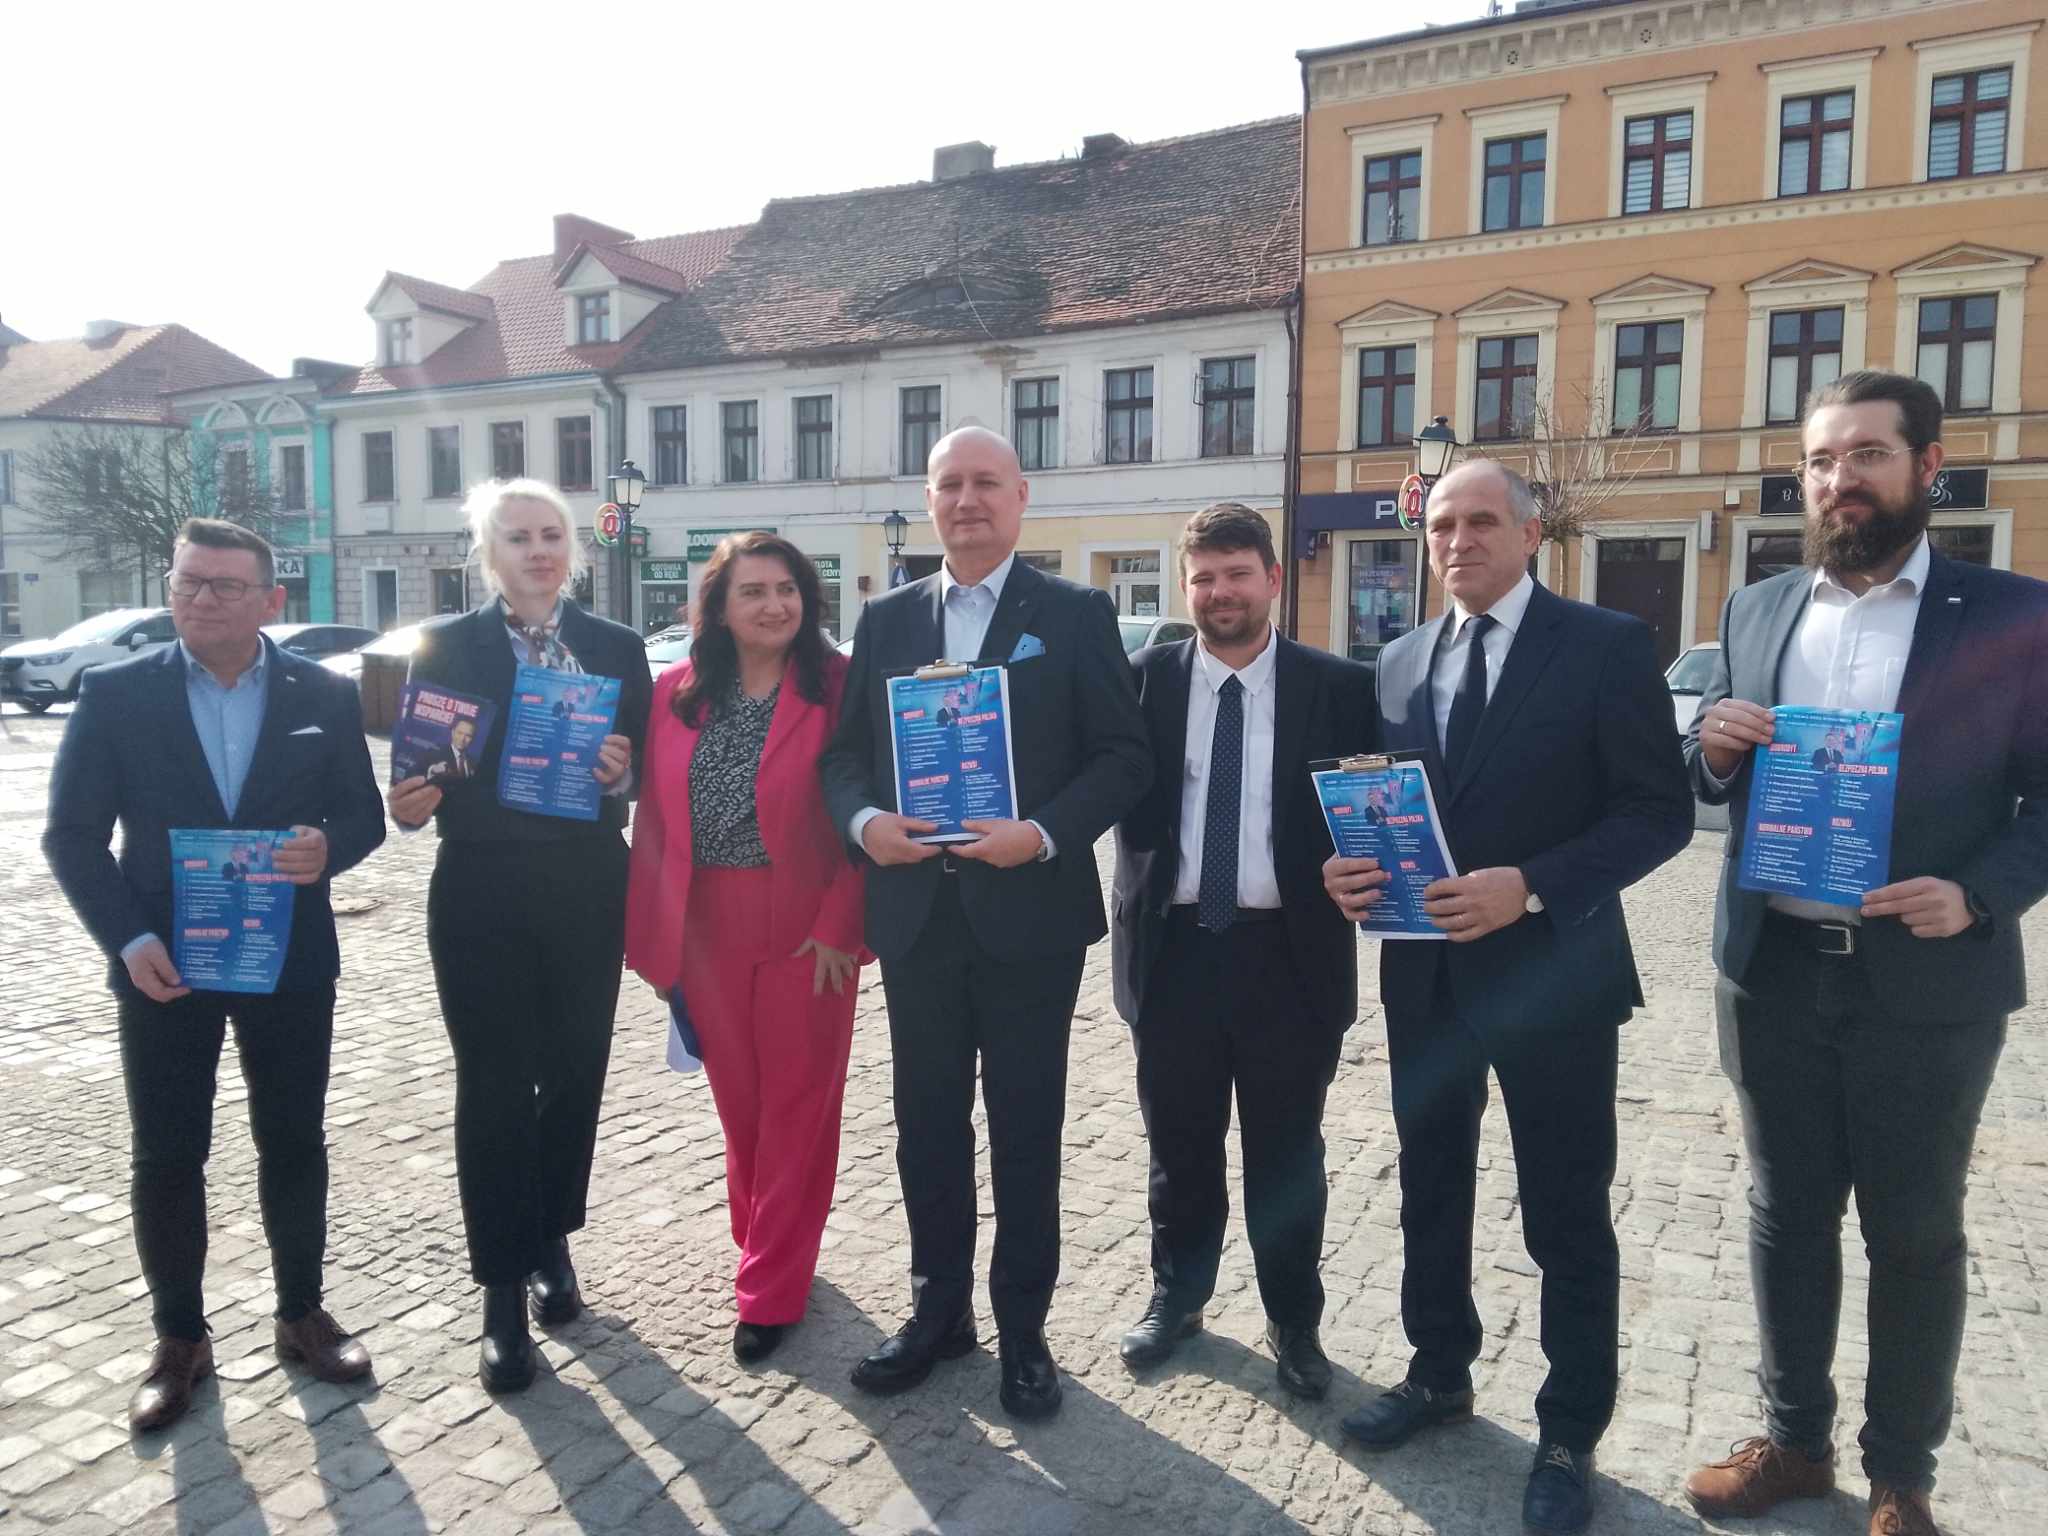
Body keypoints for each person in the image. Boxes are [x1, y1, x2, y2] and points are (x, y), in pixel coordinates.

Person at [1680, 371, 2048, 1536]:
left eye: (1866, 455)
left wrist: (1976, 896)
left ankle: (1900, 1474)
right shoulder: (1757, 608)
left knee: (1913, 1229)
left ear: (1926, 466)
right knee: (1784, 1214)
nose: (1838, 480)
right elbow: (1708, 776)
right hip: (1773, 969)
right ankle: (1794, 1442)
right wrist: (1713, 748)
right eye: (1820, 460)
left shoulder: (2009, 614)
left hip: (1925, 979)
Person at [1322, 461, 1692, 1535]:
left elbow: (1657, 814)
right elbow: (1390, 808)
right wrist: (1347, 870)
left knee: (1564, 1210)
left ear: (1530, 534)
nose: (1458, 540)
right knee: (1429, 1186)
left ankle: (1569, 1429)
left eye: (1481, 521)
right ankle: (1438, 1369)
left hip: (1554, 974)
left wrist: (1527, 886)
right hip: (1425, 973)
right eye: (1441, 524)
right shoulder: (1398, 660)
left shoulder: (1604, 646)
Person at [820, 426, 1151, 1419]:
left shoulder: (1075, 613)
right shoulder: (886, 619)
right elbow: (843, 758)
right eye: (949, 484)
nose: (966, 500)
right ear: (929, 500)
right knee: (925, 1124)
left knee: (1024, 1128)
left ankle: (1024, 1330)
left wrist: (1041, 834)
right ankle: (938, 1312)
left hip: (1027, 918)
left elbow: (1123, 757)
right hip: (916, 915)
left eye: (985, 483)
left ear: (1019, 496)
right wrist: (866, 824)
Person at [43, 518, 386, 1433]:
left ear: (271, 600)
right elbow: (72, 837)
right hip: (166, 964)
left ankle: (301, 1313)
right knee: (167, 1152)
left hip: (288, 959)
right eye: (188, 582)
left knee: (294, 1139)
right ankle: (179, 1339)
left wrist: (328, 847)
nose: (202, 599)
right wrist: (126, 940)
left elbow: (362, 816)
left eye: (226, 586)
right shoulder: (117, 694)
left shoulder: (323, 691)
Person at [387, 478, 652, 1393]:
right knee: (496, 1086)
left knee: (575, 1073)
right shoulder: (445, 646)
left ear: (572, 549)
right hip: (482, 886)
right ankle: (501, 1292)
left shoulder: (614, 646)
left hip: (587, 884)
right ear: (487, 552)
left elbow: (645, 773)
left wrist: (621, 773)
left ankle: (550, 1236)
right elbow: (418, 784)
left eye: (550, 535)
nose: (537, 551)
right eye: (517, 537)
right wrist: (409, 804)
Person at [1109, 503, 1374, 1398]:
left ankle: (1294, 1320)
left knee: (1287, 1153)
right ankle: (1178, 1296)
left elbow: (1378, 808)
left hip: (1289, 957)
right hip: (1173, 950)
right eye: (1203, 578)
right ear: (1186, 587)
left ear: (1272, 579)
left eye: (1236, 574)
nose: (1220, 592)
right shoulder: (1139, 681)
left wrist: (1365, 863)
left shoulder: (1339, 689)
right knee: (1179, 1144)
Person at [625, 532, 867, 1366]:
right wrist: (655, 939)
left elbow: (870, 802)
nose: (774, 606)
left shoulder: (839, 686)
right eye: (754, 592)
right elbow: (655, 821)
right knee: (741, 1105)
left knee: (799, 1106)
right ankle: (765, 1239)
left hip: (808, 926)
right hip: (704, 925)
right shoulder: (676, 692)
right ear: (719, 609)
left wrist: (843, 923)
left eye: (787, 590)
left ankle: (770, 1288)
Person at [419, 716, 479, 783]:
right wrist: (433, 770)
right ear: (452, 732)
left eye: (468, 735)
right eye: (459, 733)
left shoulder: (474, 763)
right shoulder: (435, 752)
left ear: (473, 738)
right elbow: (419, 770)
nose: (462, 739)